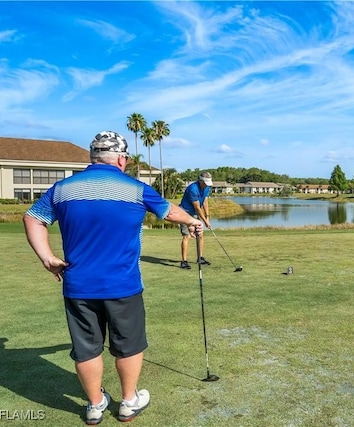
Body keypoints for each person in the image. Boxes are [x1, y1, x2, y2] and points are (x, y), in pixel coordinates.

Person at [23, 131, 203, 425]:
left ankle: (95, 406)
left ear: (93, 157)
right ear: (121, 158)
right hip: (123, 285)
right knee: (128, 344)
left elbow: (33, 217)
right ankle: (129, 402)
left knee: (86, 348)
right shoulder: (134, 188)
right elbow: (169, 212)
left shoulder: (63, 189)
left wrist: (47, 258)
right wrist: (193, 220)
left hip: (78, 285)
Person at [178, 171, 212, 269]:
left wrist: (208, 216)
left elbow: (205, 201)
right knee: (187, 236)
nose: (207, 185)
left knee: (200, 235)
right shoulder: (192, 189)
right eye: (205, 183)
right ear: (200, 181)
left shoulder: (207, 187)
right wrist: (205, 221)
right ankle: (184, 261)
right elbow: (197, 207)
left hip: (195, 214)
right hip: (185, 213)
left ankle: (200, 258)